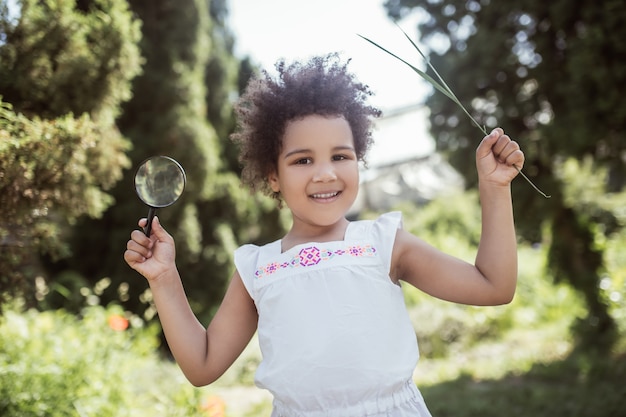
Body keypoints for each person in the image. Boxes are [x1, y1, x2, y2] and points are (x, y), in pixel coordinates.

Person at [124, 54, 525, 417]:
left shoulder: (383, 243)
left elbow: (494, 286)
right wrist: (164, 278)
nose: (325, 173)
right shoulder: (258, 268)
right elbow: (203, 365)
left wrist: (494, 188)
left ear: (359, 158)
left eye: (340, 156)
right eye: (302, 160)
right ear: (273, 177)